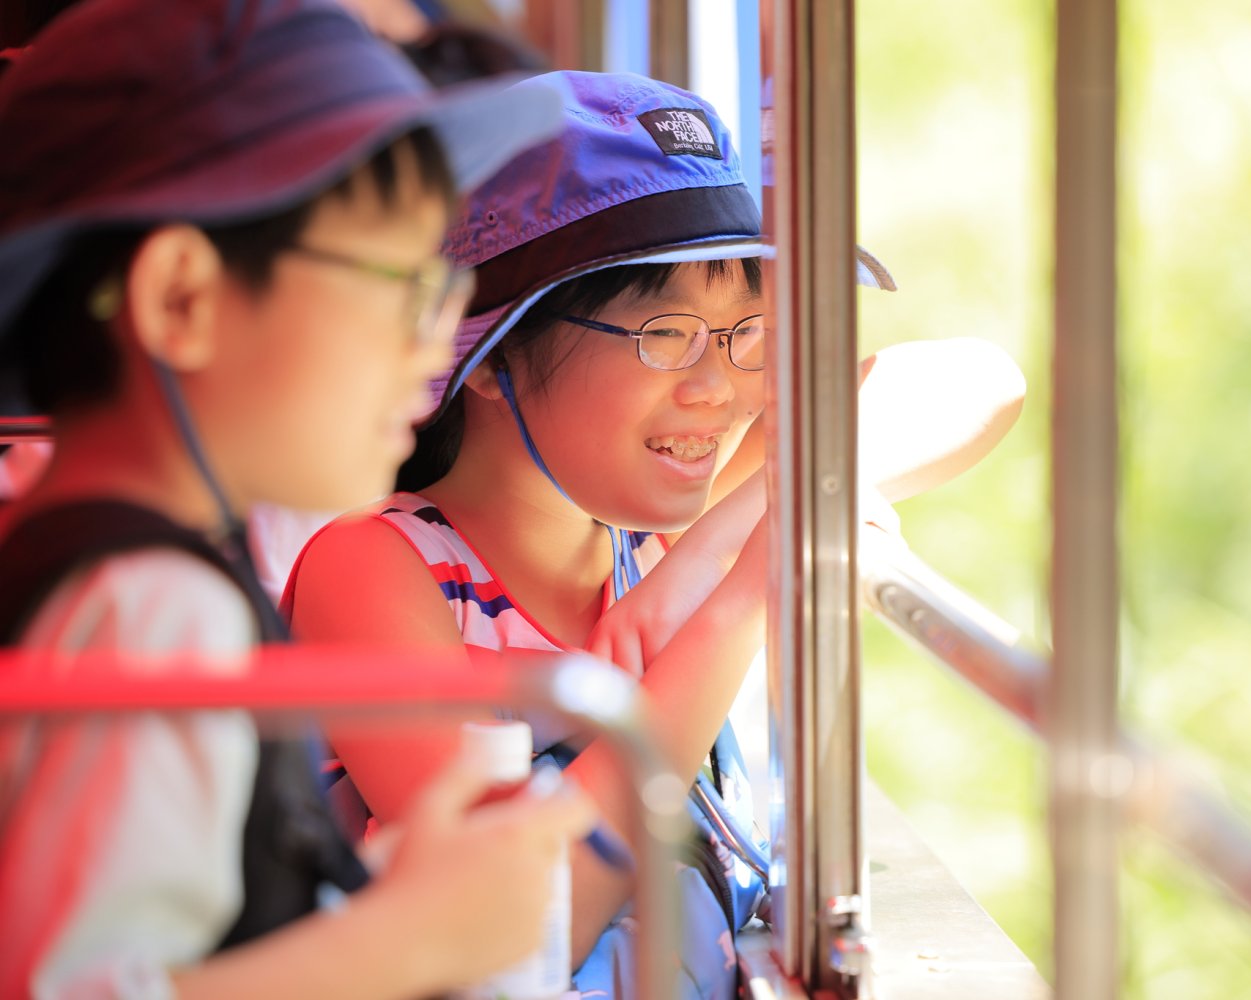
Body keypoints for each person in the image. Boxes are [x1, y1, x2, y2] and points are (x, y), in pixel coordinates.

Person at [281, 69, 1025, 999]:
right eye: (664, 334)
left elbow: (978, 383)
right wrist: (736, 606)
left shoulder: (655, 528)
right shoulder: (376, 571)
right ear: (493, 354)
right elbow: (514, 933)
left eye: (746, 330)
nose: (719, 387)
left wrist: (720, 546)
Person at [0, 1, 596, 997]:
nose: (432, 348)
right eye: (402, 288)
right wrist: (409, 939)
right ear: (182, 299)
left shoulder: (109, 568)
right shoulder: (155, 610)